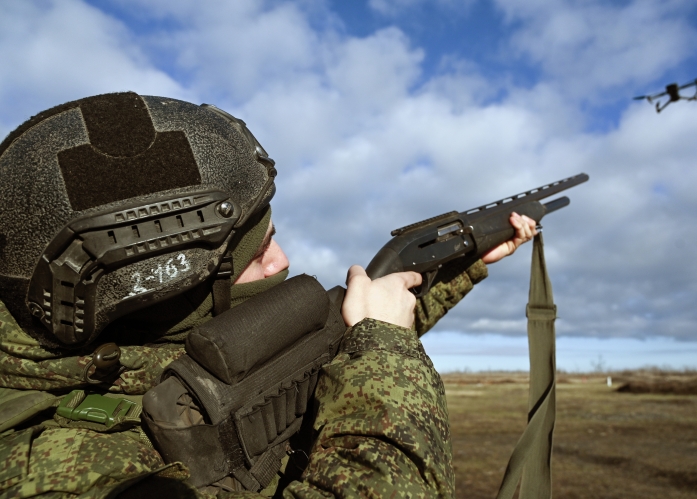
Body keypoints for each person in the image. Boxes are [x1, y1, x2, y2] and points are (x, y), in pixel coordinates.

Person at [0, 92, 536, 498]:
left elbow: (314, 349)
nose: (281, 263)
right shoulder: (60, 470)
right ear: (163, 293)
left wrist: (460, 268)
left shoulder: (143, 353)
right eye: (259, 253)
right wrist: (385, 354)